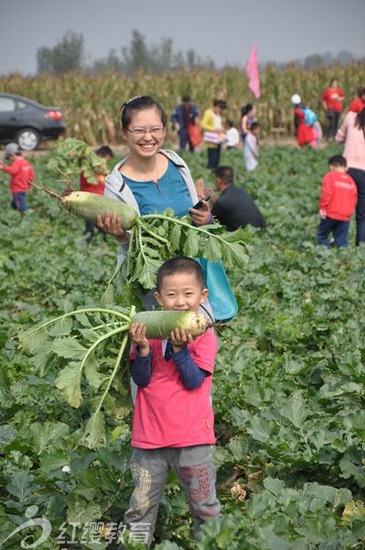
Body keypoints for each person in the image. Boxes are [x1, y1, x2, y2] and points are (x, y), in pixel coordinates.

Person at [125, 256, 221, 546]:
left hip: (192, 440)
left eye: (188, 294)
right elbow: (141, 380)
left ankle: (211, 544)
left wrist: (180, 350)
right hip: (149, 440)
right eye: (171, 294)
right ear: (158, 298)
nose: (180, 302)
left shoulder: (205, 337)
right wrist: (142, 349)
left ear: (202, 296)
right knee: (139, 509)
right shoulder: (149, 334)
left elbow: (193, 381)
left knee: (205, 506)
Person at [96, 95, 212, 268]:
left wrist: (205, 219)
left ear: (164, 130)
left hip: (192, 274)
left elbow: (195, 223)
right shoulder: (117, 186)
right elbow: (132, 246)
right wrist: (121, 237)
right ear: (124, 132)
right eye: (140, 130)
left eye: (155, 129)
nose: (148, 137)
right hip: (152, 282)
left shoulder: (177, 163)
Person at [203, 165, 266, 231]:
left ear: (218, 180)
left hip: (246, 234)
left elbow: (209, 223)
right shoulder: (240, 190)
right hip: (261, 228)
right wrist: (215, 202)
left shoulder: (221, 202)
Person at [335, 107, 365, 245]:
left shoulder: (351, 117)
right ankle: (360, 244)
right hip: (363, 172)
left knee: (341, 208)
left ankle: (339, 241)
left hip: (346, 170)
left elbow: (338, 138)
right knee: (362, 214)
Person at [316, 155, 357, 248]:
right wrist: (349, 212)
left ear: (331, 167)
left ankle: (325, 256)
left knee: (322, 236)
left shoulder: (330, 176)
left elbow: (327, 194)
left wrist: (322, 207)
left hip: (331, 213)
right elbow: (354, 198)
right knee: (342, 241)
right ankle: (343, 260)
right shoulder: (351, 181)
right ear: (346, 168)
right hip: (345, 216)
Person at [79, 145, 114, 242]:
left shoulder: (98, 168)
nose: (105, 163)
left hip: (98, 200)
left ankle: (102, 240)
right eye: (106, 160)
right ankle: (87, 243)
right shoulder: (89, 167)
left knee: (99, 223)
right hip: (90, 199)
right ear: (100, 155)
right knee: (91, 225)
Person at [0, 142, 35, 214]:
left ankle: (25, 213)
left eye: (9, 157)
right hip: (24, 187)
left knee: (20, 202)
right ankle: (13, 210)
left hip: (17, 188)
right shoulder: (25, 162)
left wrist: (3, 167)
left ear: (12, 155)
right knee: (15, 201)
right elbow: (31, 174)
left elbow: (13, 170)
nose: (10, 160)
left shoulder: (17, 163)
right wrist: (30, 184)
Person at [200, 98, 227, 171]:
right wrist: (214, 129)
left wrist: (222, 129)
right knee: (212, 159)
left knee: (217, 160)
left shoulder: (218, 115)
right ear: (216, 106)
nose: (221, 111)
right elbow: (203, 125)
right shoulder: (208, 113)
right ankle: (210, 173)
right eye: (220, 109)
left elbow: (218, 124)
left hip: (218, 140)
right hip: (211, 140)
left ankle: (215, 172)